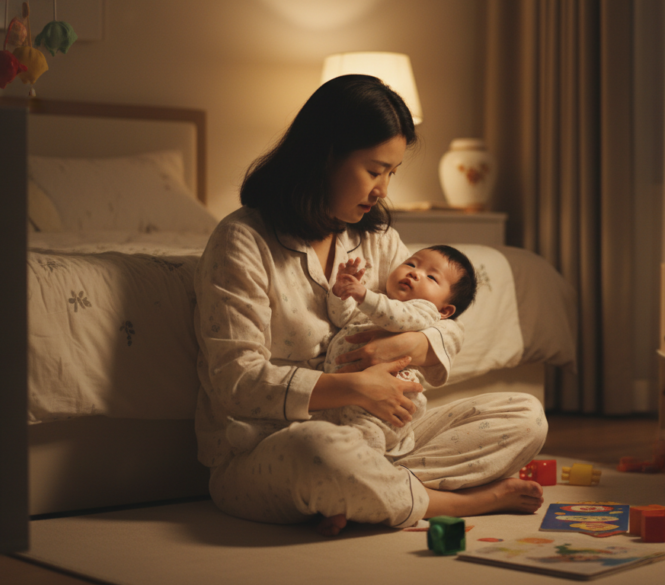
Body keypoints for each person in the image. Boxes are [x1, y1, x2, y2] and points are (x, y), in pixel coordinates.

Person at [193, 74, 548, 537]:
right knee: (324, 451)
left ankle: (365, 490)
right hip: (272, 447)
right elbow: (236, 382)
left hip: (383, 435)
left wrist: (403, 347)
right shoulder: (242, 241)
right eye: (374, 170)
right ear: (323, 157)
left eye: (391, 174)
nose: (383, 189)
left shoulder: (374, 238)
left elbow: (441, 321)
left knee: (526, 415)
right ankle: (459, 502)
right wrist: (356, 387)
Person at [226, 244, 478, 458]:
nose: (415, 274)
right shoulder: (376, 302)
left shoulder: (424, 311)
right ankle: (260, 437)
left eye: (432, 277)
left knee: (364, 436)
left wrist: (364, 295)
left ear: (445, 311)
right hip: (343, 388)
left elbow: (398, 319)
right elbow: (341, 317)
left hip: (386, 401)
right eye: (411, 264)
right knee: (319, 427)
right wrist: (342, 291)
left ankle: (369, 469)